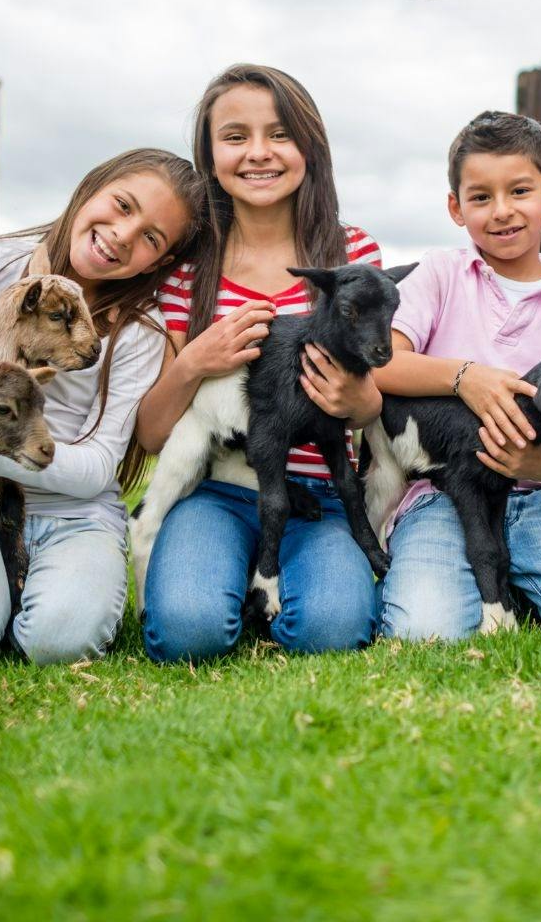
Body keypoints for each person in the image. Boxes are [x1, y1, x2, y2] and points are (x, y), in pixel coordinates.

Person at [0, 150, 205, 666]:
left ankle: (34, 594)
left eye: (150, 237)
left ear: (161, 262)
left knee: (61, 641)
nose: (122, 234)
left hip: (76, 514)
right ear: (90, 187)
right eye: (122, 205)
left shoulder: (140, 333)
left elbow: (100, 466)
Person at [135, 64, 384, 662]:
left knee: (331, 631)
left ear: (309, 146)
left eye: (279, 134)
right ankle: (222, 572)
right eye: (235, 136)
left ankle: (270, 582)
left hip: (317, 495)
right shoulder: (186, 271)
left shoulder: (352, 255)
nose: (258, 154)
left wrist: (360, 403)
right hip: (218, 490)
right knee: (188, 634)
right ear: (209, 153)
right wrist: (196, 360)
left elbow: (375, 390)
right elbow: (151, 434)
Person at [374, 110, 541, 645]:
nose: (501, 212)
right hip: (443, 492)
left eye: (519, 191)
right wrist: (463, 377)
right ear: (456, 207)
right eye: (480, 198)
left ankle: (519, 583)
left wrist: (539, 462)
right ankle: (484, 578)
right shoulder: (440, 273)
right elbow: (384, 362)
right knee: (423, 633)